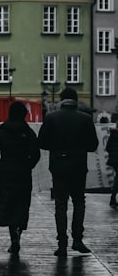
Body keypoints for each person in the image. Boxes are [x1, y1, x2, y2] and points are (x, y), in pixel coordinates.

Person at [37, 87, 99, 256]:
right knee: (79, 202)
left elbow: (41, 142)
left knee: (60, 205)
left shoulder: (51, 117)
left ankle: (62, 243)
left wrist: (57, 148)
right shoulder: (85, 119)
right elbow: (93, 145)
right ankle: (77, 240)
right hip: (79, 166)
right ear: (76, 100)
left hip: (58, 166)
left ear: (62, 99)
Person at [0, 101, 41, 254]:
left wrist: (1, 168)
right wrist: (27, 166)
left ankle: (13, 238)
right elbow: (36, 154)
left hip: (6, 174)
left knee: (9, 204)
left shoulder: (2, 130)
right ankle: (18, 233)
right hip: (23, 174)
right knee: (22, 205)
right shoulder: (28, 131)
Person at [107, 116, 118, 208]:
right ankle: (112, 198)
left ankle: (113, 198)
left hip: (114, 160)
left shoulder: (113, 134)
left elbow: (107, 147)